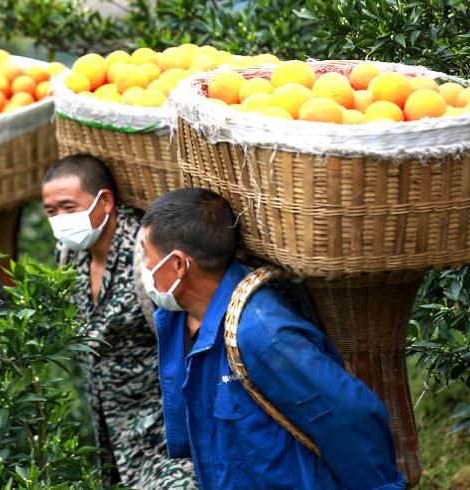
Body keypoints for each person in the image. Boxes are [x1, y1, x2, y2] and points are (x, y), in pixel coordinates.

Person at [139, 187, 406, 490]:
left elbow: (350, 417)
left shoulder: (262, 334)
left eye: (147, 255)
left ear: (178, 265)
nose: (144, 267)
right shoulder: (175, 318)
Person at [42, 155, 196, 490]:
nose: (61, 220)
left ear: (105, 201)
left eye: (69, 207)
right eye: (51, 212)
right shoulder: (67, 257)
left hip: (167, 444)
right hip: (109, 444)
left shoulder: (146, 256)